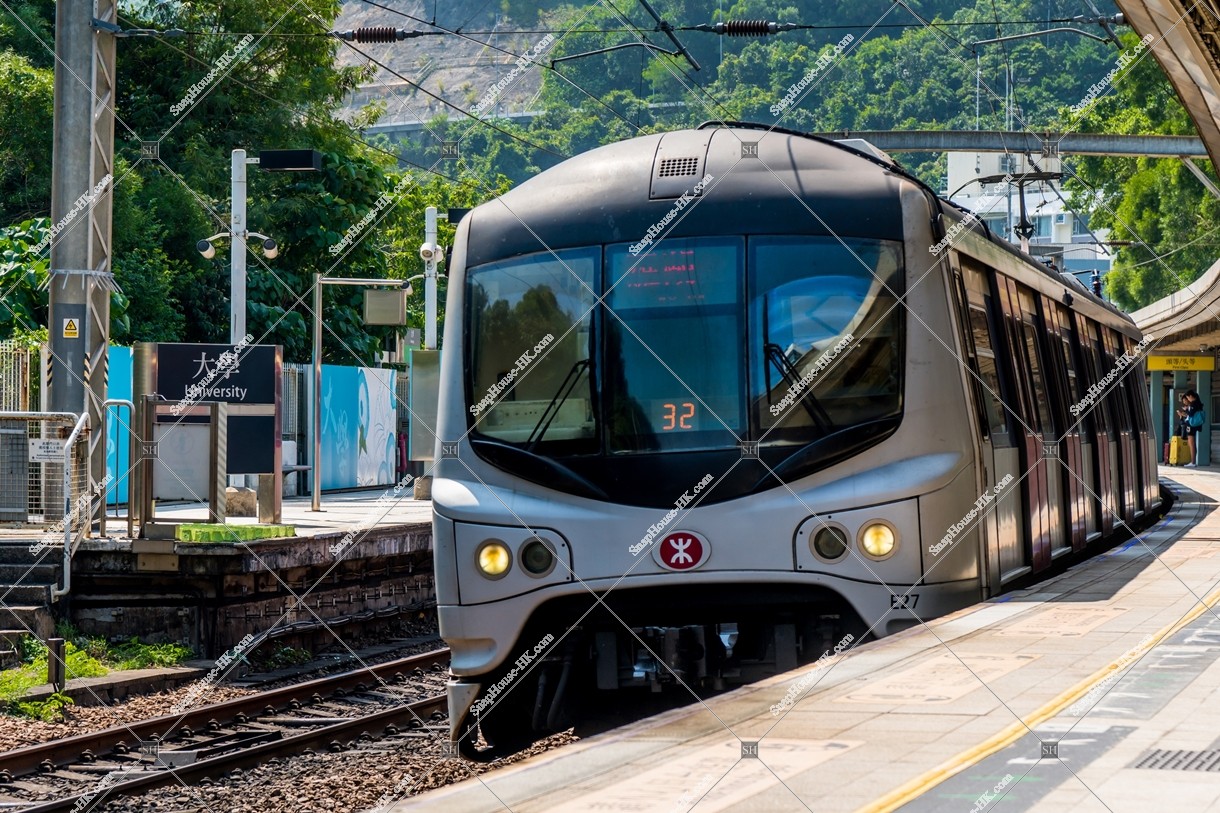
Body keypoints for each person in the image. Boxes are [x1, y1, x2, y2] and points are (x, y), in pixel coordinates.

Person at [1184, 390, 1205, 467]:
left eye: (1187, 397)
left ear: (1191, 396)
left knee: (1191, 443)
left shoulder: (1194, 404)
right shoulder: (1198, 403)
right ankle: (1193, 461)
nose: (1188, 399)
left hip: (1191, 425)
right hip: (1194, 424)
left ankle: (1192, 462)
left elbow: (1191, 414)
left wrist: (1186, 410)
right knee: (1192, 443)